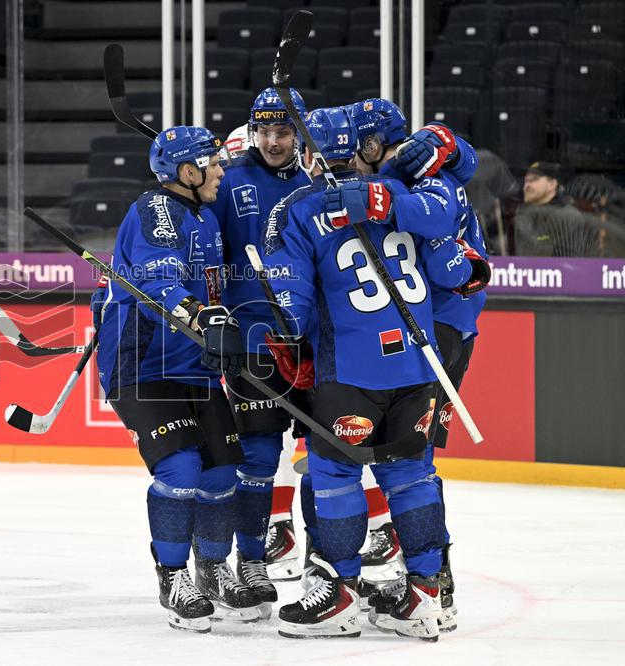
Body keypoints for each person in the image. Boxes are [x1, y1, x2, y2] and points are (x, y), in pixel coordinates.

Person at [262, 105, 472, 641]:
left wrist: (284, 342)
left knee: (335, 476)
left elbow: (292, 304)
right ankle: (425, 595)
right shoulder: (401, 194)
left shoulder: (298, 208)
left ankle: (339, 595)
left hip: (349, 370)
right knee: (412, 476)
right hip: (418, 364)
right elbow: (451, 263)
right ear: (359, 149)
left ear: (310, 155)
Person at [93, 125, 259, 633]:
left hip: (194, 363)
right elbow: (159, 279)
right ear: (187, 172)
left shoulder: (203, 213)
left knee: (222, 472)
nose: (221, 171)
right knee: (181, 468)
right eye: (213, 163)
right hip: (142, 365)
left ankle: (212, 568)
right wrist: (201, 317)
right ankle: (173, 576)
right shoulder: (157, 211)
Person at [353, 101, 492, 633]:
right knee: (410, 459)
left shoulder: (421, 180)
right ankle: (430, 579)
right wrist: (448, 145)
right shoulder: (421, 170)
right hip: (438, 326)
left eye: (357, 146)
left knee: (414, 461)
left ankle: (437, 585)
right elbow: (462, 162)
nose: (351, 156)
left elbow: (446, 251)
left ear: (373, 145)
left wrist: (446, 147)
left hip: (440, 330)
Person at [205, 87, 312, 602]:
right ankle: (250, 561)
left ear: (300, 133)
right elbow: (203, 248)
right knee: (261, 454)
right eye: (264, 130)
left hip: (312, 339)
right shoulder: (230, 181)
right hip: (253, 336)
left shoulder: (316, 183)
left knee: (326, 454)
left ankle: (327, 564)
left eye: (283, 131)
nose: (272, 141)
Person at [514, 161, 596, 256]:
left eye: (534, 179)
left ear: (552, 185)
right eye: (526, 181)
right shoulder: (524, 214)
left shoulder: (566, 215)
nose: (527, 186)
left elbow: (568, 261)